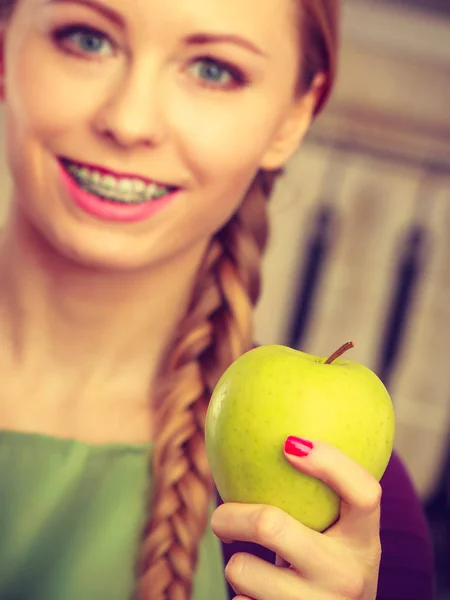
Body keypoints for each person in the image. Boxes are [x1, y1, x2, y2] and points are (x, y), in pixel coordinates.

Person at [0, 0, 435, 599]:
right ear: (4, 48)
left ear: (292, 116)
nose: (128, 121)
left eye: (212, 70)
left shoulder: (360, 516)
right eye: (87, 39)